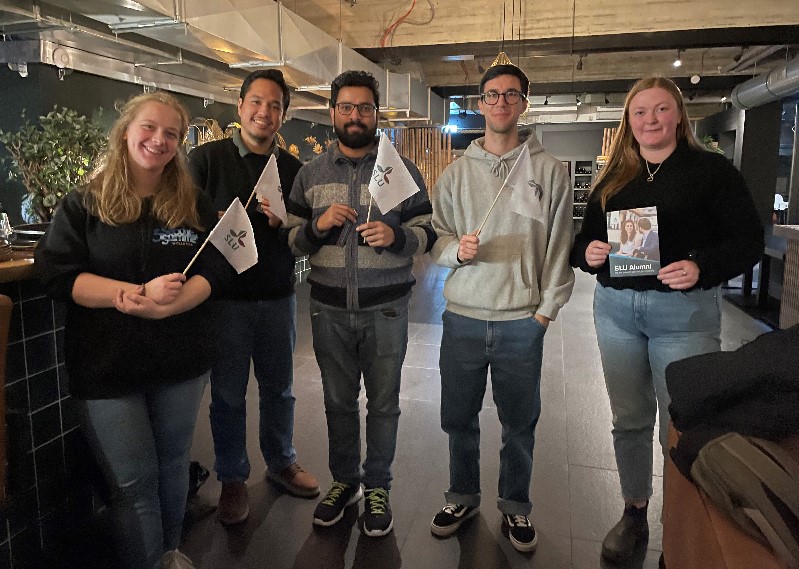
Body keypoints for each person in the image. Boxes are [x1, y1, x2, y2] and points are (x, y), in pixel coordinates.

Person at [569, 76, 764, 563]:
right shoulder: (614, 175)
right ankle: (634, 510)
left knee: (680, 424)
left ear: (678, 115)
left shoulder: (712, 173)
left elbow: (746, 242)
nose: (650, 120)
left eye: (659, 110)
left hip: (685, 315)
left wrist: (702, 266)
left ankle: (678, 525)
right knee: (629, 418)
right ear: (628, 121)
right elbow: (585, 243)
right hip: (615, 311)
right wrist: (588, 252)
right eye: (640, 112)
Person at [35, 91, 230, 569]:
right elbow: (57, 273)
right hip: (106, 365)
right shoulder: (85, 201)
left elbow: (219, 264)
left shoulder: (191, 201)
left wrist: (174, 305)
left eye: (171, 134)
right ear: (126, 130)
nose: (159, 140)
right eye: (149, 127)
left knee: (170, 469)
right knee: (132, 482)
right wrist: (128, 293)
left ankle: (171, 557)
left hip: (181, 362)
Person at [428, 63, 575, 553]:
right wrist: (455, 252)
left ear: (524, 102)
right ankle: (463, 495)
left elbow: (559, 247)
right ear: (479, 103)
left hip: (519, 322)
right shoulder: (454, 174)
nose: (501, 103)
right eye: (492, 94)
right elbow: (436, 237)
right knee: (458, 417)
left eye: (511, 94)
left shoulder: (550, 173)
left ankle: (515, 507)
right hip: (464, 317)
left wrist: (544, 313)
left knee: (519, 423)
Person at [285, 70, 435, 537]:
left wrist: (395, 237)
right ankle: (344, 481)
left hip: (386, 308)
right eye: (346, 107)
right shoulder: (310, 174)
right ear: (332, 112)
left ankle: (378, 487)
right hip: (328, 309)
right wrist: (318, 226)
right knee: (337, 402)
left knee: (385, 405)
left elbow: (428, 233)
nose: (355, 115)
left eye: (365, 108)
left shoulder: (401, 170)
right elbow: (292, 242)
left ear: (376, 114)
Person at [188, 69, 319, 525]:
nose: (265, 112)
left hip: (277, 294)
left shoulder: (292, 169)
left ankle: (281, 461)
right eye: (257, 102)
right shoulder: (205, 159)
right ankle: (232, 479)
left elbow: (305, 234)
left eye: (275, 105)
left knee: (280, 389)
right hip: (223, 299)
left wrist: (287, 223)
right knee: (226, 395)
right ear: (240, 107)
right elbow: (181, 216)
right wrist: (213, 218)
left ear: (283, 113)